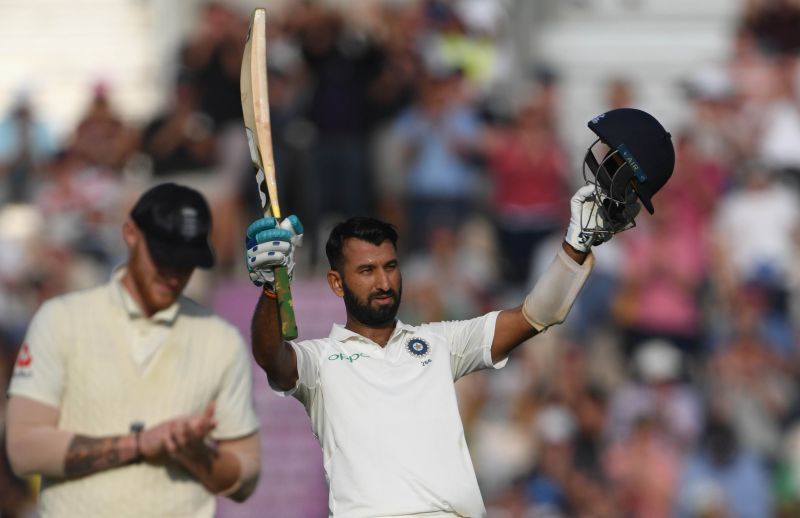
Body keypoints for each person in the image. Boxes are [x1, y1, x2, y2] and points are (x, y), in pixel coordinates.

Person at [245, 108, 674, 516]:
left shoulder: (438, 343)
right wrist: (270, 288)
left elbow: (535, 317)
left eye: (390, 267)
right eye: (366, 271)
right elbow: (272, 357)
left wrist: (576, 244)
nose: (383, 282)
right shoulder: (321, 361)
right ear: (336, 283)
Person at [5, 183, 261, 517]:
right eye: (163, 258)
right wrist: (140, 444)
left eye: (186, 263)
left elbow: (246, 475)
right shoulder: (61, 320)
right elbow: (24, 450)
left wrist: (193, 453)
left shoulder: (221, 339)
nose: (174, 274)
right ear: (130, 234)